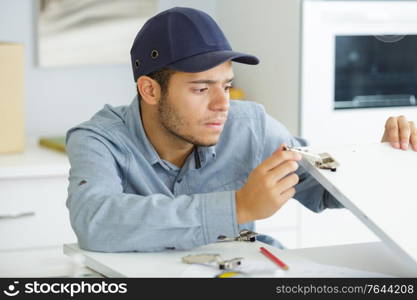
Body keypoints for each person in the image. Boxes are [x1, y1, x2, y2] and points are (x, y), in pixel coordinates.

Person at [66, 7, 417, 252]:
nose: (222, 104)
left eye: (227, 85)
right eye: (202, 89)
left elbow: (324, 186)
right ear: (150, 90)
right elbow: (95, 222)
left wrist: (385, 160)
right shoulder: (99, 140)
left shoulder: (250, 125)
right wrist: (237, 207)